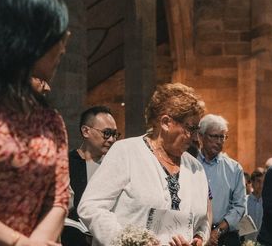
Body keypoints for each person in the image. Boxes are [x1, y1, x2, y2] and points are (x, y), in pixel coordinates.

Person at [79, 83, 210, 246]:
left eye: (197, 130)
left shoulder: (195, 168)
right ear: (165, 122)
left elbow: (202, 221)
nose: (195, 138)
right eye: (190, 128)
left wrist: (199, 239)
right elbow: (91, 206)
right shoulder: (126, 152)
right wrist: (126, 242)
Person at [0, 0, 71, 246]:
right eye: (55, 35)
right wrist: (18, 243)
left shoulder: (49, 119)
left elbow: (59, 197)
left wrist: (38, 241)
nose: (64, 45)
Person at [62, 106, 119, 246]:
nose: (112, 139)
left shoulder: (116, 165)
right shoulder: (65, 162)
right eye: (106, 133)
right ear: (86, 131)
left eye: (115, 134)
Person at [198, 114, 246, 246]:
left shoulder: (234, 169)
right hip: (194, 233)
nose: (219, 141)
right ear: (201, 136)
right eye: (214, 136)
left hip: (225, 236)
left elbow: (239, 206)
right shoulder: (189, 164)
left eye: (222, 137)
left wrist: (217, 232)